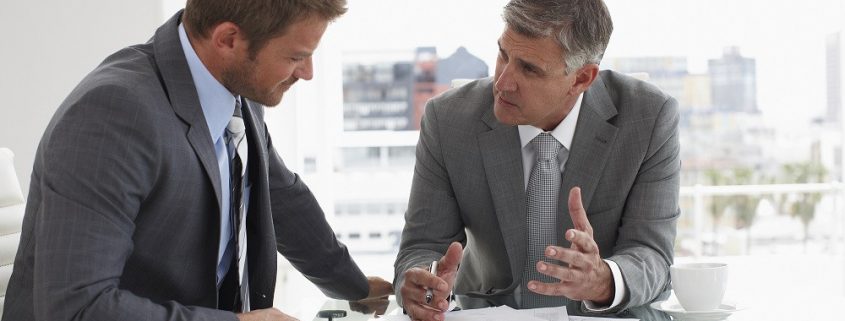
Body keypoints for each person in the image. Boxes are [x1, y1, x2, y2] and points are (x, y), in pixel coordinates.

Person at [2, 1, 393, 320]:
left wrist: (360, 289)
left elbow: (280, 197)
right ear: (228, 39)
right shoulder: (115, 113)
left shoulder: (238, 88)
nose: (307, 73)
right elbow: (75, 308)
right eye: (296, 56)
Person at [394, 0, 679, 320]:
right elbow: (422, 246)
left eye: (529, 68)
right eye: (503, 54)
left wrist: (602, 281)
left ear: (582, 79)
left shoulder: (648, 118)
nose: (502, 83)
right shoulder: (448, 120)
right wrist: (424, 286)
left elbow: (652, 254)